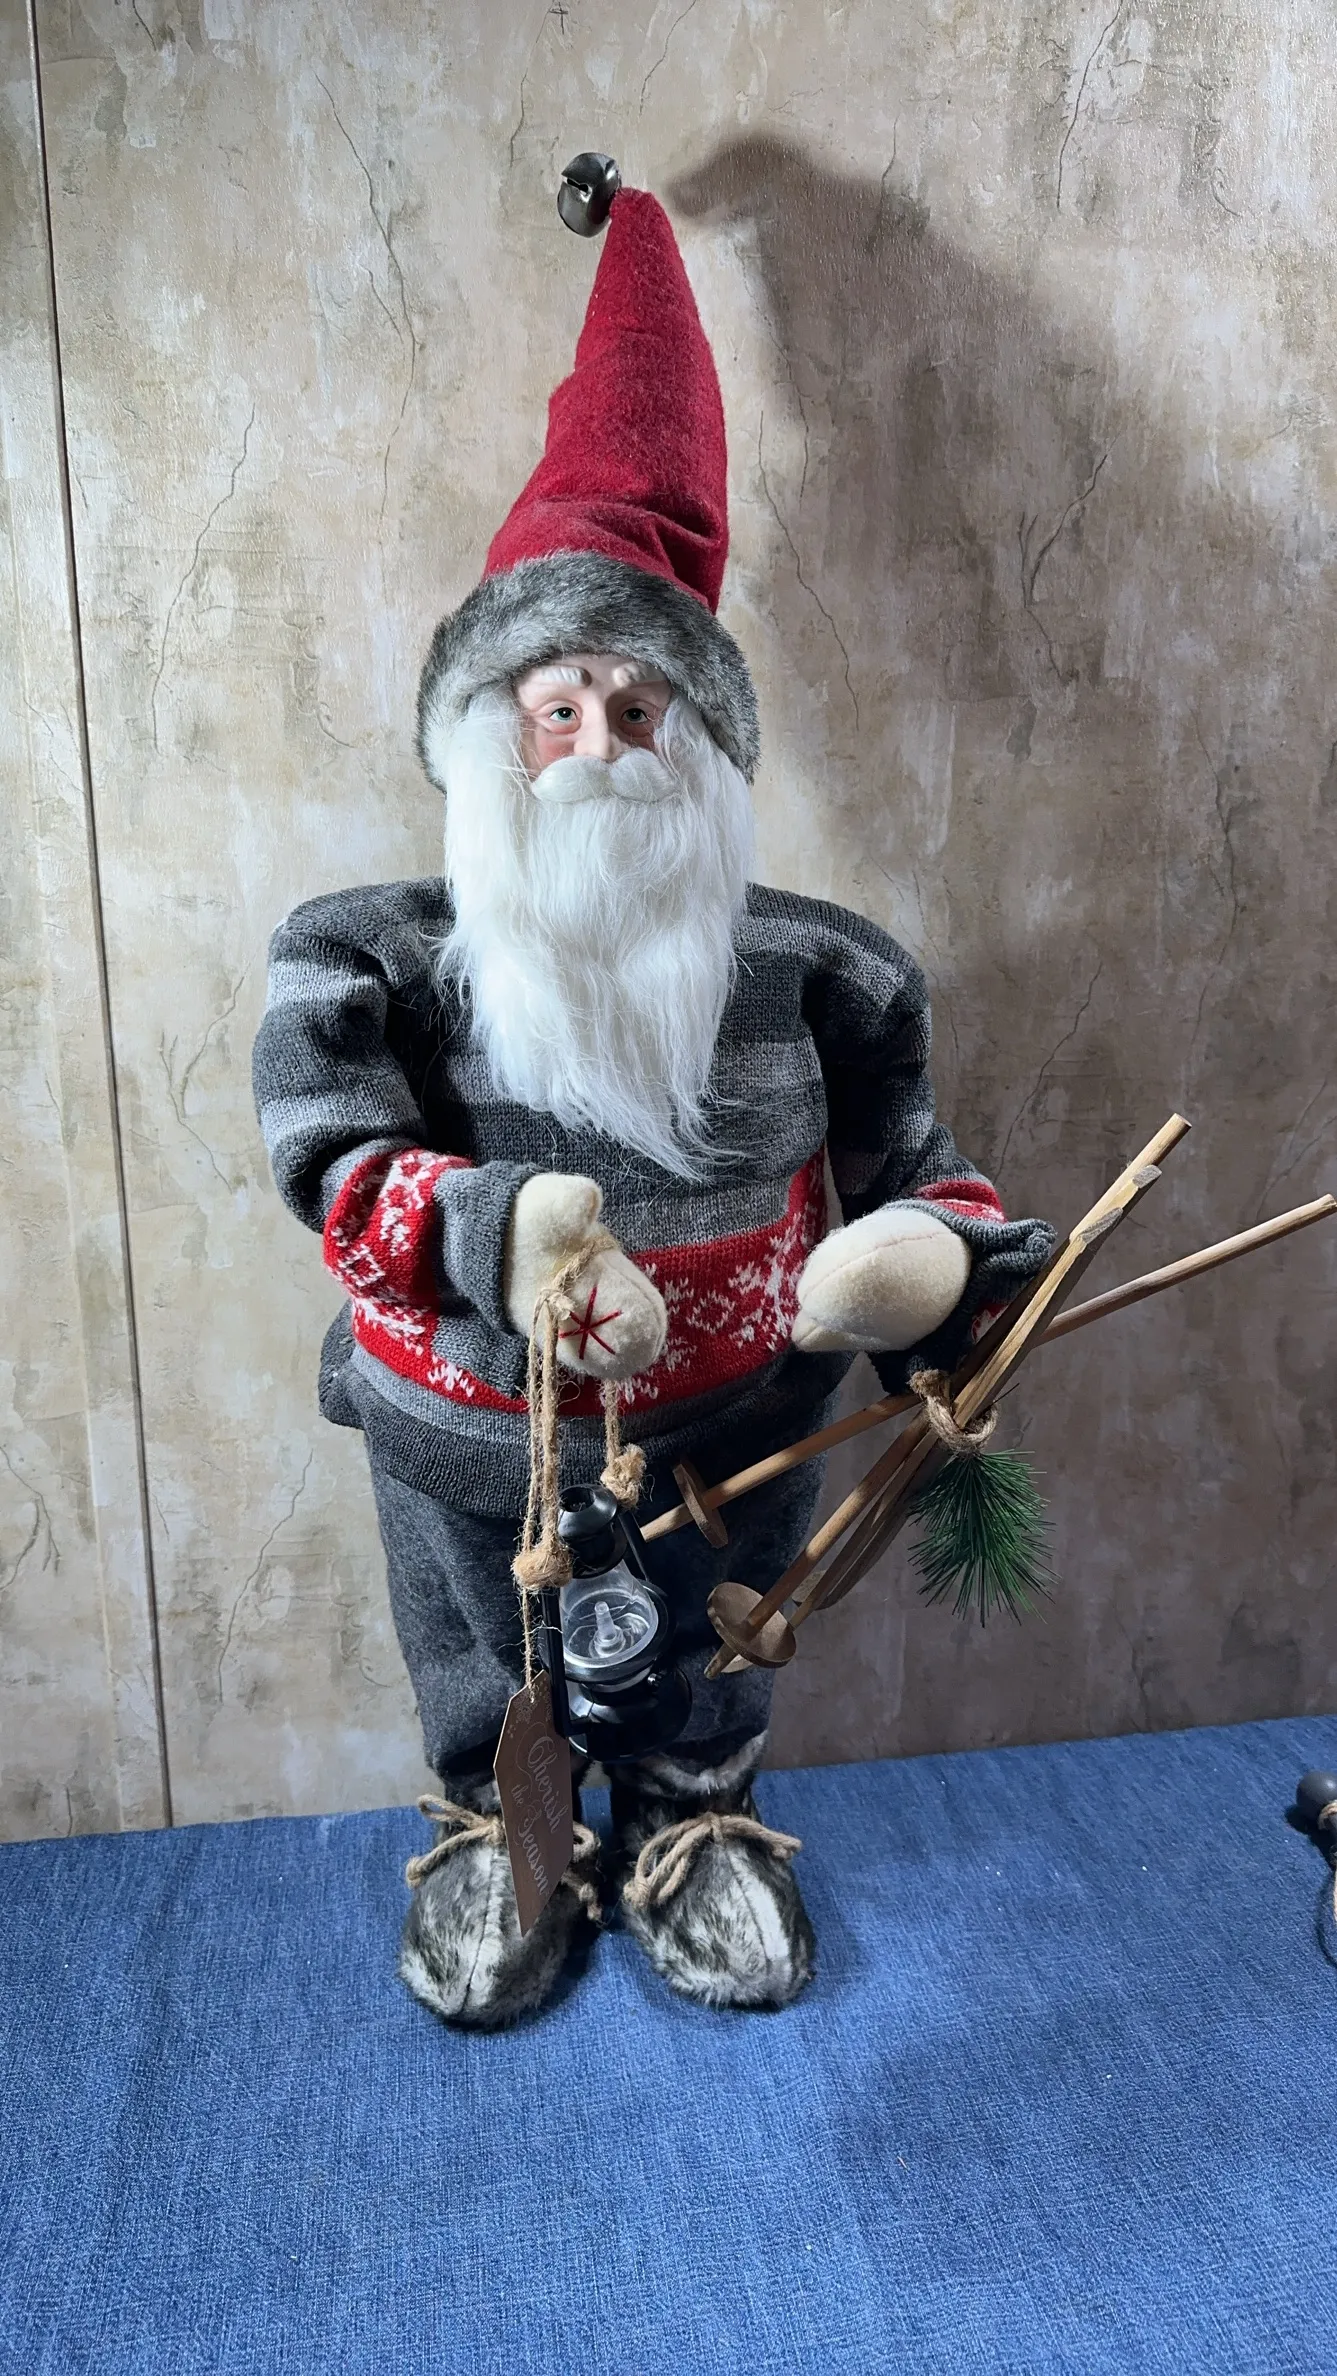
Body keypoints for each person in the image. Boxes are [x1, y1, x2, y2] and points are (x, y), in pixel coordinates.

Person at [252, 185, 1052, 2030]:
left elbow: (925, 1172)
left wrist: (934, 1273)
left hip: (739, 1435)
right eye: (561, 711)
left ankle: (695, 1816)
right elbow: (332, 1161)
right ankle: (500, 1825)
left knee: (714, 1648)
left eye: (640, 711)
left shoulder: (830, 968)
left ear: (704, 745)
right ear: (489, 734)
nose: (601, 753)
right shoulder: (360, 953)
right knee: (484, 1650)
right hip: (463, 1440)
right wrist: (507, 1237)